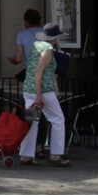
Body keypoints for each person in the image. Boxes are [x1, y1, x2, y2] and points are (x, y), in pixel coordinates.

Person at [18, 20, 70, 166]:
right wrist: (39, 94)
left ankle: (26, 155)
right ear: (54, 38)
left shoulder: (36, 45)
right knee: (58, 119)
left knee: (32, 121)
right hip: (44, 89)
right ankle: (56, 154)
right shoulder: (47, 49)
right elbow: (39, 70)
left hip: (28, 88)